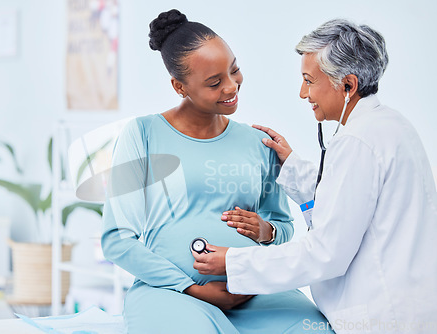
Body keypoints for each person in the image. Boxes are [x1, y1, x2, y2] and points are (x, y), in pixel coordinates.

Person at [192, 19, 437, 333]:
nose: (302, 93)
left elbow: (326, 253)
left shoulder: (358, 141)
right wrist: (291, 164)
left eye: (309, 80)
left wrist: (233, 262)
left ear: (347, 85)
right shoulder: (391, 125)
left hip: (383, 317)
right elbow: (352, 205)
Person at [101, 9, 333, 334]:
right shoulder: (142, 135)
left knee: (315, 330)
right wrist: (192, 288)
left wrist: (266, 231)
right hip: (172, 293)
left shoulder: (258, 142)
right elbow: (117, 239)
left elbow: (282, 225)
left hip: (254, 290)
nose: (231, 86)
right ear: (179, 87)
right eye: (214, 82)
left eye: (234, 70)